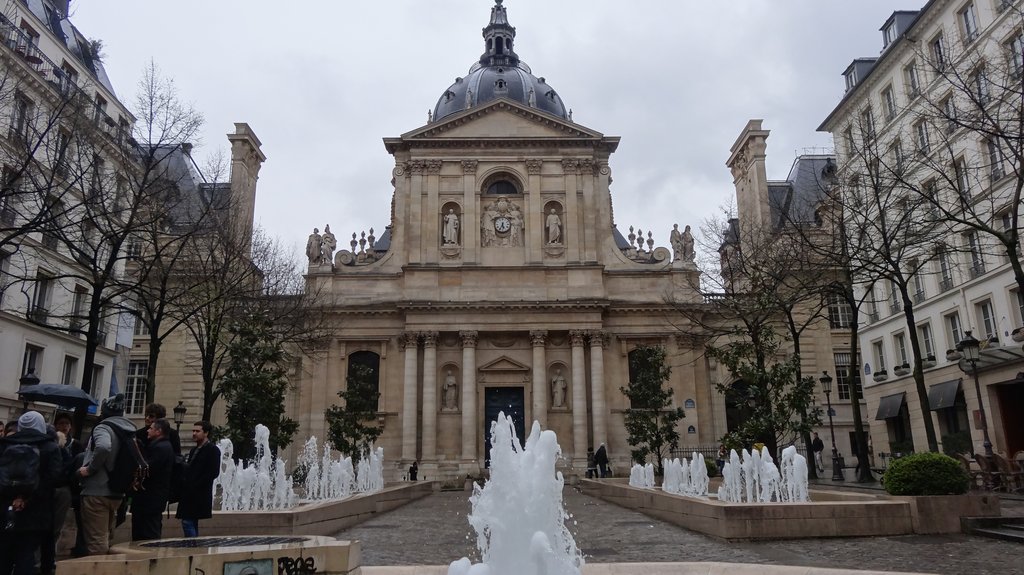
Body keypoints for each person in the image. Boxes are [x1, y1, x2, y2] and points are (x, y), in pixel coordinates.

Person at [0, 411, 62, 575]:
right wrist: (26, 499)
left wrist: (12, 498)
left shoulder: (5, 444)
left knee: (4, 553)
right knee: (26, 554)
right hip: (36, 510)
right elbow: (53, 479)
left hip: (6, 508)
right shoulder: (50, 447)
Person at [77, 393, 137, 556]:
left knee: (96, 542)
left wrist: (90, 469)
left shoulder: (103, 428)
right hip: (116, 491)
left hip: (97, 490)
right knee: (106, 537)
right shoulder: (128, 430)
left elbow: (103, 447)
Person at [176, 421, 221, 537]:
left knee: (187, 521)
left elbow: (213, 472)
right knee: (189, 521)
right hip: (189, 493)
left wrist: (196, 485)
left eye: (197, 431)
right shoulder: (193, 450)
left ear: (206, 433)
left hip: (199, 493)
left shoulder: (213, 450)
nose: (194, 433)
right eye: (193, 431)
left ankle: (192, 548)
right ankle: (193, 546)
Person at [131, 419, 173, 542]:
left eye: (151, 428)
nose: (148, 430)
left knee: (148, 532)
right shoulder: (164, 446)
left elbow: (148, 468)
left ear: (159, 431)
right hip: (153, 498)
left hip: (150, 498)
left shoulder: (160, 447)